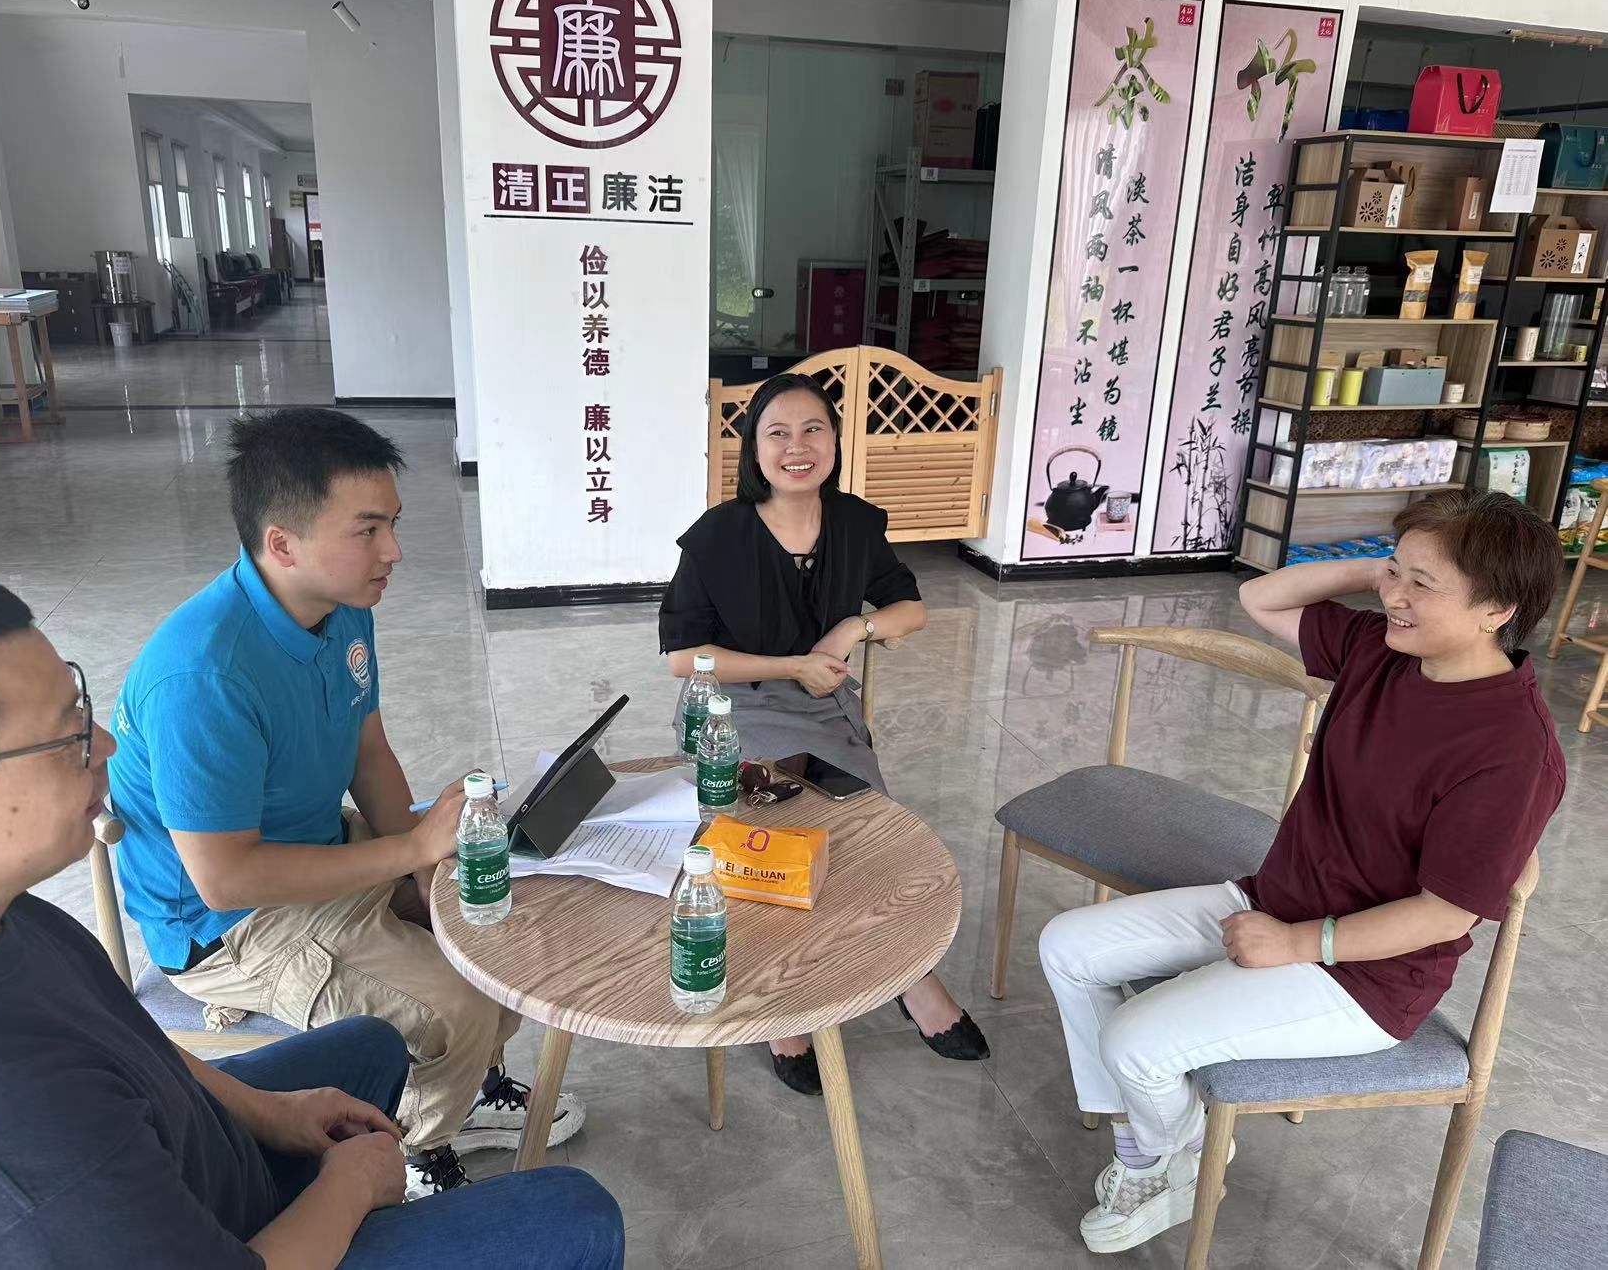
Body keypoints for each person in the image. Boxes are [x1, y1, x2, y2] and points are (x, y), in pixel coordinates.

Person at [0, 572, 625, 1269]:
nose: (106, 743)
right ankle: (423, 1160)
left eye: (82, 709)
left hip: (198, 1165)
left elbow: (139, 1047)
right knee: (575, 1213)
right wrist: (347, 1189)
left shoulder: (2, 918)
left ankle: (437, 1119)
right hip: (243, 1239)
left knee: (374, 1044)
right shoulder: (9, 1118)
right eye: (64, 736)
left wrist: (271, 1111)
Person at [1036, 489, 1566, 1254]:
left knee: (1133, 1040)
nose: (1395, 596)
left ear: (1497, 610)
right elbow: (1260, 597)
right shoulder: (1382, 648)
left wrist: (1294, 944)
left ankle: (1165, 1160)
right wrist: (1387, 573)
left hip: (1363, 977)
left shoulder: (1512, 749)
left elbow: (1444, 914)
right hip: (1272, 899)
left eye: (1423, 583)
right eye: (1394, 571)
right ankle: (1161, 1142)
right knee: (1068, 946)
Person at [106, 408, 584, 1195]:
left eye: (392, 524)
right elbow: (226, 879)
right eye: (368, 530)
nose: (393, 551)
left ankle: (464, 1092)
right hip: (229, 926)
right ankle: (414, 1152)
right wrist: (410, 850)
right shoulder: (204, 675)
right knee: (457, 1007)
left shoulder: (341, 604)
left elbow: (368, 752)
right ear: (282, 543)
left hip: (316, 848)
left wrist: (429, 873)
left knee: (495, 921)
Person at [659, 373, 989, 1095]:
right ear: (754, 449)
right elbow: (685, 657)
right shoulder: (719, 535)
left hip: (823, 704)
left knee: (866, 828)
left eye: (813, 429)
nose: (797, 447)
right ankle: (784, 1006)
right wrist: (792, 665)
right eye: (777, 433)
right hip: (732, 706)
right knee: (774, 835)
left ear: (835, 440)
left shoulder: (855, 522)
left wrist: (851, 628)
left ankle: (909, 977)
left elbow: (909, 608)